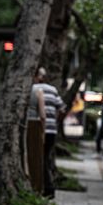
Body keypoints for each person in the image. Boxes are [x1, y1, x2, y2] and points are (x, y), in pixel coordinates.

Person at [28, 67, 66, 198]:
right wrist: (55, 121)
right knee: (46, 158)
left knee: (39, 159)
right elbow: (62, 109)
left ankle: (47, 188)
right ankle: (48, 186)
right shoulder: (53, 90)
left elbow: (41, 114)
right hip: (52, 130)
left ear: (37, 76)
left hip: (39, 128)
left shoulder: (33, 89)